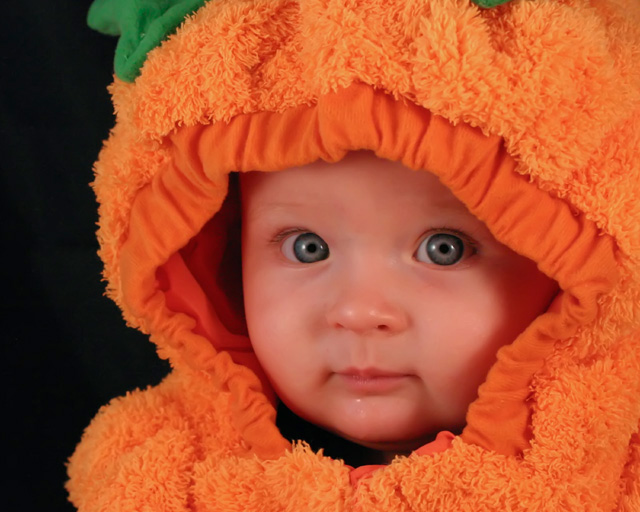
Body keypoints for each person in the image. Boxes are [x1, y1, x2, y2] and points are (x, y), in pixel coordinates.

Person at [67, 0, 640, 510]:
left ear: (571, 279)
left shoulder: (620, 480)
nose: (360, 312)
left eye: (444, 250)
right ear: (218, 256)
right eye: (306, 247)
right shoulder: (162, 480)